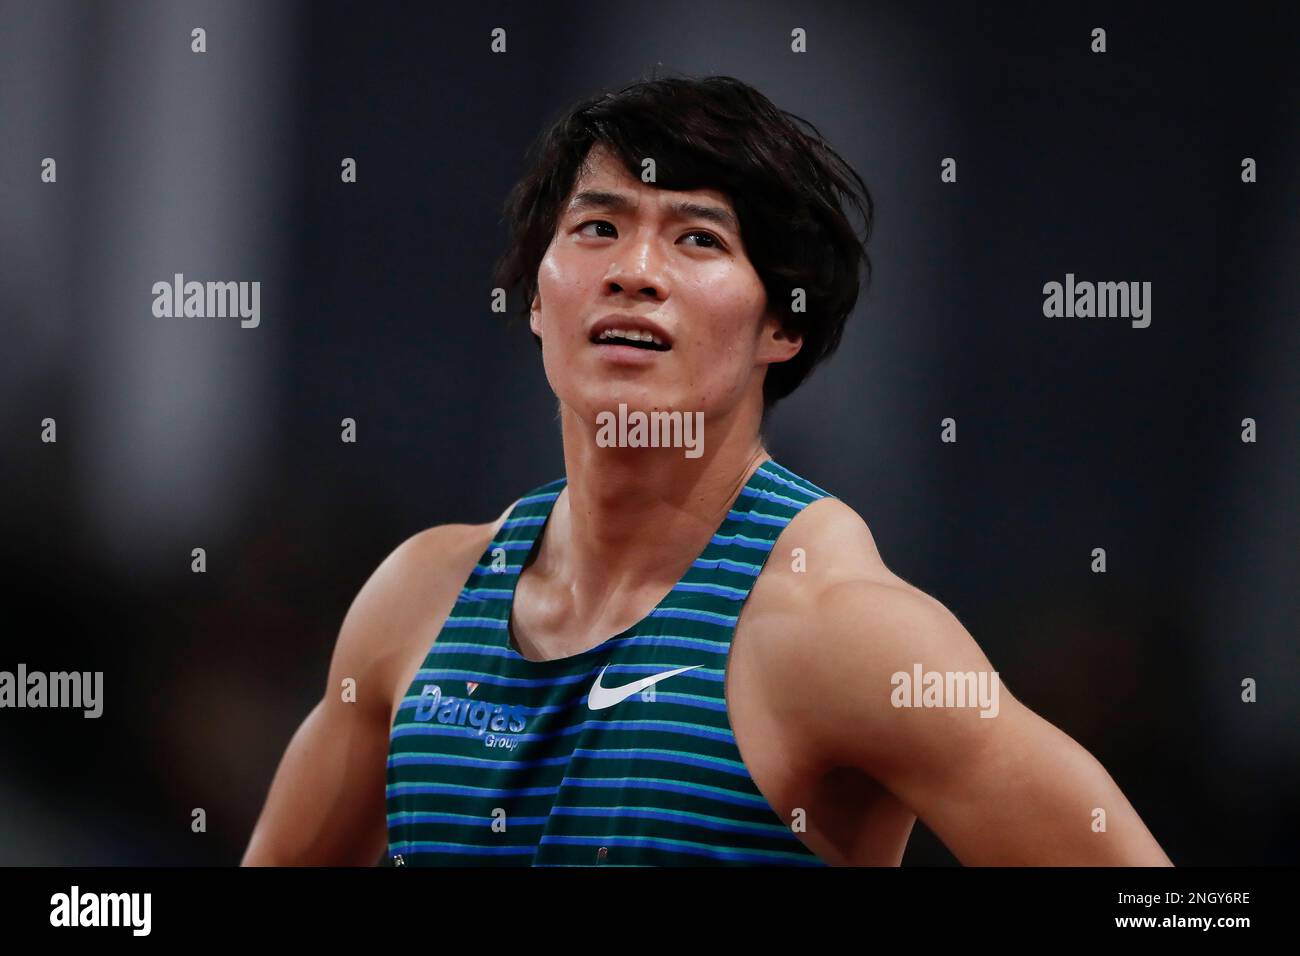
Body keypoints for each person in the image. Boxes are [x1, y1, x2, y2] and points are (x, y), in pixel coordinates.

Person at [242, 74, 1172, 866]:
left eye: (698, 239)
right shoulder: (417, 601)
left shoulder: (844, 636)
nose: (633, 271)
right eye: (597, 228)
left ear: (784, 324)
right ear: (535, 296)